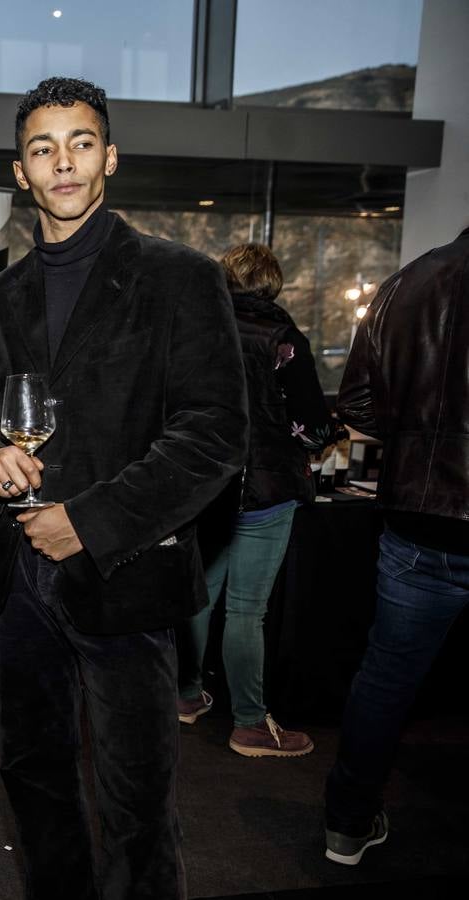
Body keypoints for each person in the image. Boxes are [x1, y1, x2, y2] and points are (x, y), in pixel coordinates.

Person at [0, 77, 247, 899]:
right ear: (21, 171)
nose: (63, 163)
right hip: (17, 584)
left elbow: (214, 436)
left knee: (136, 804)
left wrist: (87, 521)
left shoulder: (181, 277)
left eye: (80, 143)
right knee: (36, 781)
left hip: (126, 576)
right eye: (43, 148)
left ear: (109, 158)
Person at [323, 225, 469, 866]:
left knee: (385, 680)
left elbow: (356, 402)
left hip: (416, 516)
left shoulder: (407, 282)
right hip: (420, 517)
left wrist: (413, 437)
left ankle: (347, 825)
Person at [177, 243, 334, 756]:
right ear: (273, 284)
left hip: (209, 485)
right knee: (247, 610)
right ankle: (248, 724)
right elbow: (310, 427)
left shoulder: (201, 331)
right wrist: (324, 438)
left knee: (200, 595)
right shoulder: (285, 340)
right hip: (268, 488)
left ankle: (185, 695)